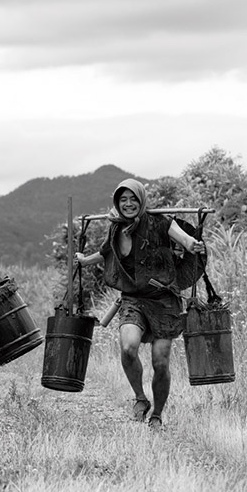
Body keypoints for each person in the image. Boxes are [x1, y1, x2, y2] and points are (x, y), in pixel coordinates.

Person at [76, 178, 205, 430]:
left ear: (141, 200)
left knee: (160, 361)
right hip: (133, 299)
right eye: (123, 200)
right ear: (117, 202)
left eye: (133, 199)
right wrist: (83, 260)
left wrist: (194, 244)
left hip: (164, 301)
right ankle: (140, 397)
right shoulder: (115, 229)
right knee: (128, 348)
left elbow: (185, 240)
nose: (128, 204)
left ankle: (157, 414)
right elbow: (106, 253)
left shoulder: (161, 222)